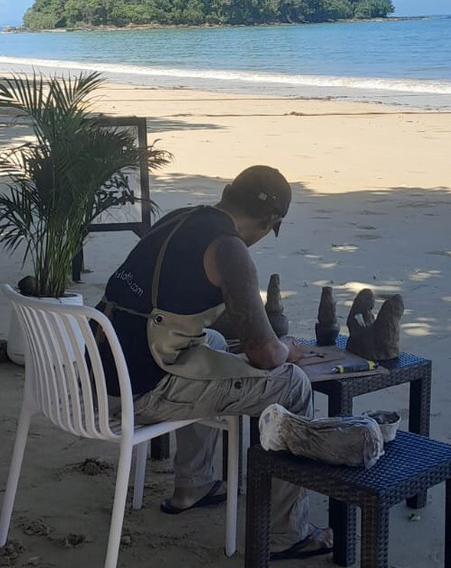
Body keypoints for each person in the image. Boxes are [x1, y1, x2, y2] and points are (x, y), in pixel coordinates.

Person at [96, 165, 334, 560]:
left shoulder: (180, 218)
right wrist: (286, 347)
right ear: (269, 222)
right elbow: (264, 354)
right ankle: (286, 533)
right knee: (291, 384)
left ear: (227, 192)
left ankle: (193, 484)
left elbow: (186, 303)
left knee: (214, 342)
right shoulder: (229, 248)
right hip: (138, 391)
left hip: (98, 371)